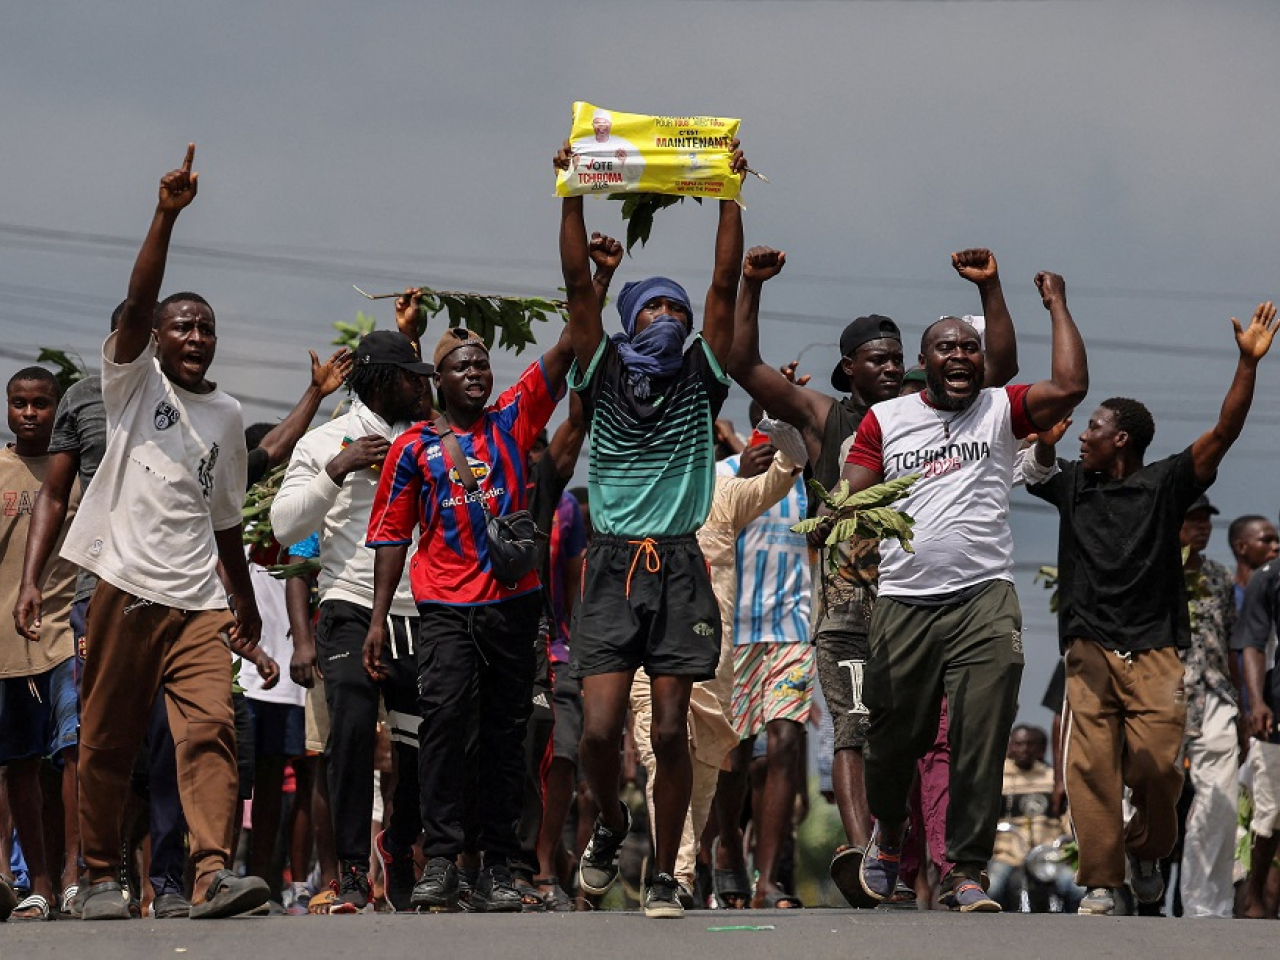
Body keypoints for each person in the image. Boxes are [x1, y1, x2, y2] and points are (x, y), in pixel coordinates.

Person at [726, 245, 1019, 907]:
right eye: (878, 360)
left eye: (898, 358)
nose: (893, 369)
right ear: (849, 369)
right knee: (859, 730)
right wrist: (750, 285)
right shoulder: (825, 417)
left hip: (927, 604)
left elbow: (1000, 368)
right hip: (849, 612)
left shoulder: (929, 410)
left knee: (936, 741)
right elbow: (742, 363)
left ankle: (938, 867)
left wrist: (992, 291)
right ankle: (869, 860)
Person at [53, 144, 269, 920]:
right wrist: (166, 216)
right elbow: (138, 301)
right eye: (182, 326)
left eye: (206, 328)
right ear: (156, 338)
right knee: (107, 741)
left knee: (210, 729)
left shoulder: (228, 417)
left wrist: (241, 604)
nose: (196, 337)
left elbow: (226, 522)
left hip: (198, 603)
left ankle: (213, 873)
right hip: (122, 587)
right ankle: (102, 875)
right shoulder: (130, 382)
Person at [841, 270, 1087, 913]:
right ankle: (889, 833)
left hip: (985, 595)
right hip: (904, 599)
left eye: (969, 348)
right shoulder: (884, 419)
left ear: (984, 363)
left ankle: (966, 869)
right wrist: (854, 517)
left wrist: (1056, 305)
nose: (958, 355)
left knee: (982, 732)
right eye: (945, 349)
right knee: (894, 734)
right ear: (923, 365)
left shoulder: (1002, 408)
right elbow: (855, 494)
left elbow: (1071, 387)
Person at [1029, 300, 1276, 916]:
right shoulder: (1073, 484)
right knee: (1090, 769)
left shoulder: (1165, 483)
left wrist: (1246, 364)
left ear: (1122, 440)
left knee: (1159, 769)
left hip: (1156, 650)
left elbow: (1225, 432)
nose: (1082, 435)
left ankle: (1146, 852)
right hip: (1087, 645)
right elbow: (1030, 466)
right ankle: (1102, 882)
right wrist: (1044, 437)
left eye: (1092, 428)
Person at [553, 137, 747, 919]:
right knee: (598, 732)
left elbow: (725, 282)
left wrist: (731, 187)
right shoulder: (598, 370)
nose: (669, 318)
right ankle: (611, 826)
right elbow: (575, 284)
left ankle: (664, 873)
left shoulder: (703, 377)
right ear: (629, 320)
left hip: (677, 565)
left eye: (678, 310)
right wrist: (571, 186)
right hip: (608, 568)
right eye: (654, 309)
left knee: (670, 729)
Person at [364, 316, 572, 913]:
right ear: (439, 381)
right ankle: (441, 862)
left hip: (511, 606)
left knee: (509, 739)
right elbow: (390, 536)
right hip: (446, 610)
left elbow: (565, 349)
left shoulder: (514, 419)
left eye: (482, 364)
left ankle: (499, 867)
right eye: (463, 367)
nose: (476, 374)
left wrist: (598, 282)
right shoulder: (413, 448)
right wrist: (378, 619)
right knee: (445, 729)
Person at [270, 299, 432, 915]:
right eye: (414, 380)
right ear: (385, 383)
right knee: (353, 737)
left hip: (423, 615)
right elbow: (285, 529)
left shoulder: (429, 439)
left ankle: (401, 844)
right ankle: (352, 877)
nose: (424, 391)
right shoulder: (324, 442)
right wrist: (337, 468)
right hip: (349, 607)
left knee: (422, 748)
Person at [633, 423, 804, 905]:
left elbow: (773, 485)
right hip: (650, 653)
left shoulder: (722, 493)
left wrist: (787, 450)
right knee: (660, 749)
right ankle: (678, 873)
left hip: (711, 655)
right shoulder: (633, 497)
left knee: (705, 762)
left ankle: (680, 874)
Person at [714, 411, 813, 910]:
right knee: (733, 755)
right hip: (735, 633)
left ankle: (767, 879)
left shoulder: (810, 481)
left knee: (785, 744)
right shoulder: (725, 471)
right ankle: (729, 842)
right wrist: (745, 477)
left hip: (792, 633)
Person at [0, 367, 79, 921]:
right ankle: (35, 883)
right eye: (19, 404)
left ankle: (78, 876)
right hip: (8, 640)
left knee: (75, 752)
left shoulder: (76, 473)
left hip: (70, 635)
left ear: (58, 408)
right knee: (18, 762)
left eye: (41, 404)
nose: (29, 414)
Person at [1177, 495, 1240, 918]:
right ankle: (1118, 882)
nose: (1202, 528)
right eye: (1192, 520)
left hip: (1215, 693)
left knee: (1219, 797)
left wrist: (1247, 706)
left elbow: (1235, 647)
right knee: (1137, 793)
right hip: (1163, 694)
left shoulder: (1220, 578)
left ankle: (1207, 905)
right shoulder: (1152, 574)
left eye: (1206, 521)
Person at [1232, 514, 1280, 919]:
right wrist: (1257, 703)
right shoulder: (1269, 578)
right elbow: (1252, 642)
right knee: (1271, 815)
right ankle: (1255, 892)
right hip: (1277, 708)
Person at [986, 725, 1079, 912]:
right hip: (1007, 856)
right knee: (992, 888)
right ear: (1009, 746)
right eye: (1018, 744)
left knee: (1077, 890)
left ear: (1041, 749)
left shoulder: (1053, 779)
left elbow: (1067, 821)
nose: (1024, 750)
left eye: (1030, 744)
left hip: (1049, 858)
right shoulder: (997, 778)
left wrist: (1070, 843)